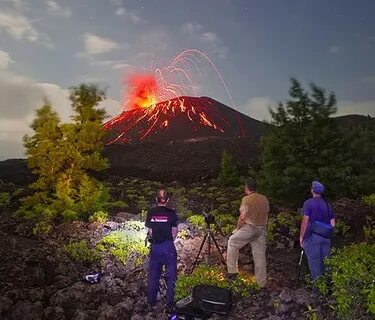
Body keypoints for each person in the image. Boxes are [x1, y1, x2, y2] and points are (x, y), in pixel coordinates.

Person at [226, 178, 270, 287]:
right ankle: (262, 283)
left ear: (246, 188)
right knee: (260, 256)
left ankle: (232, 272)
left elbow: (242, 217)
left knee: (232, 242)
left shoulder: (246, 199)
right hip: (262, 229)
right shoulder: (264, 198)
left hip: (250, 228)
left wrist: (237, 229)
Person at [146, 189, 178, 308]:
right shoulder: (172, 213)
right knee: (171, 275)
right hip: (168, 247)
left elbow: (150, 231)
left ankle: (151, 302)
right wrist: (169, 241)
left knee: (154, 275)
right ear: (167, 200)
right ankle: (170, 303)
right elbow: (174, 232)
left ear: (156, 199)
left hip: (155, 247)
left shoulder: (151, 212)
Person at [299, 180, 335, 282]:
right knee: (326, 264)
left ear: (312, 190)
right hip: (326, 238)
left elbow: (305, 222)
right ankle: (329, 289)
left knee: (315, 264)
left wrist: (301, 237)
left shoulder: (308, 203)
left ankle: (317, 292)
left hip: (312, 237)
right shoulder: (327, 204)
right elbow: (333, 224)